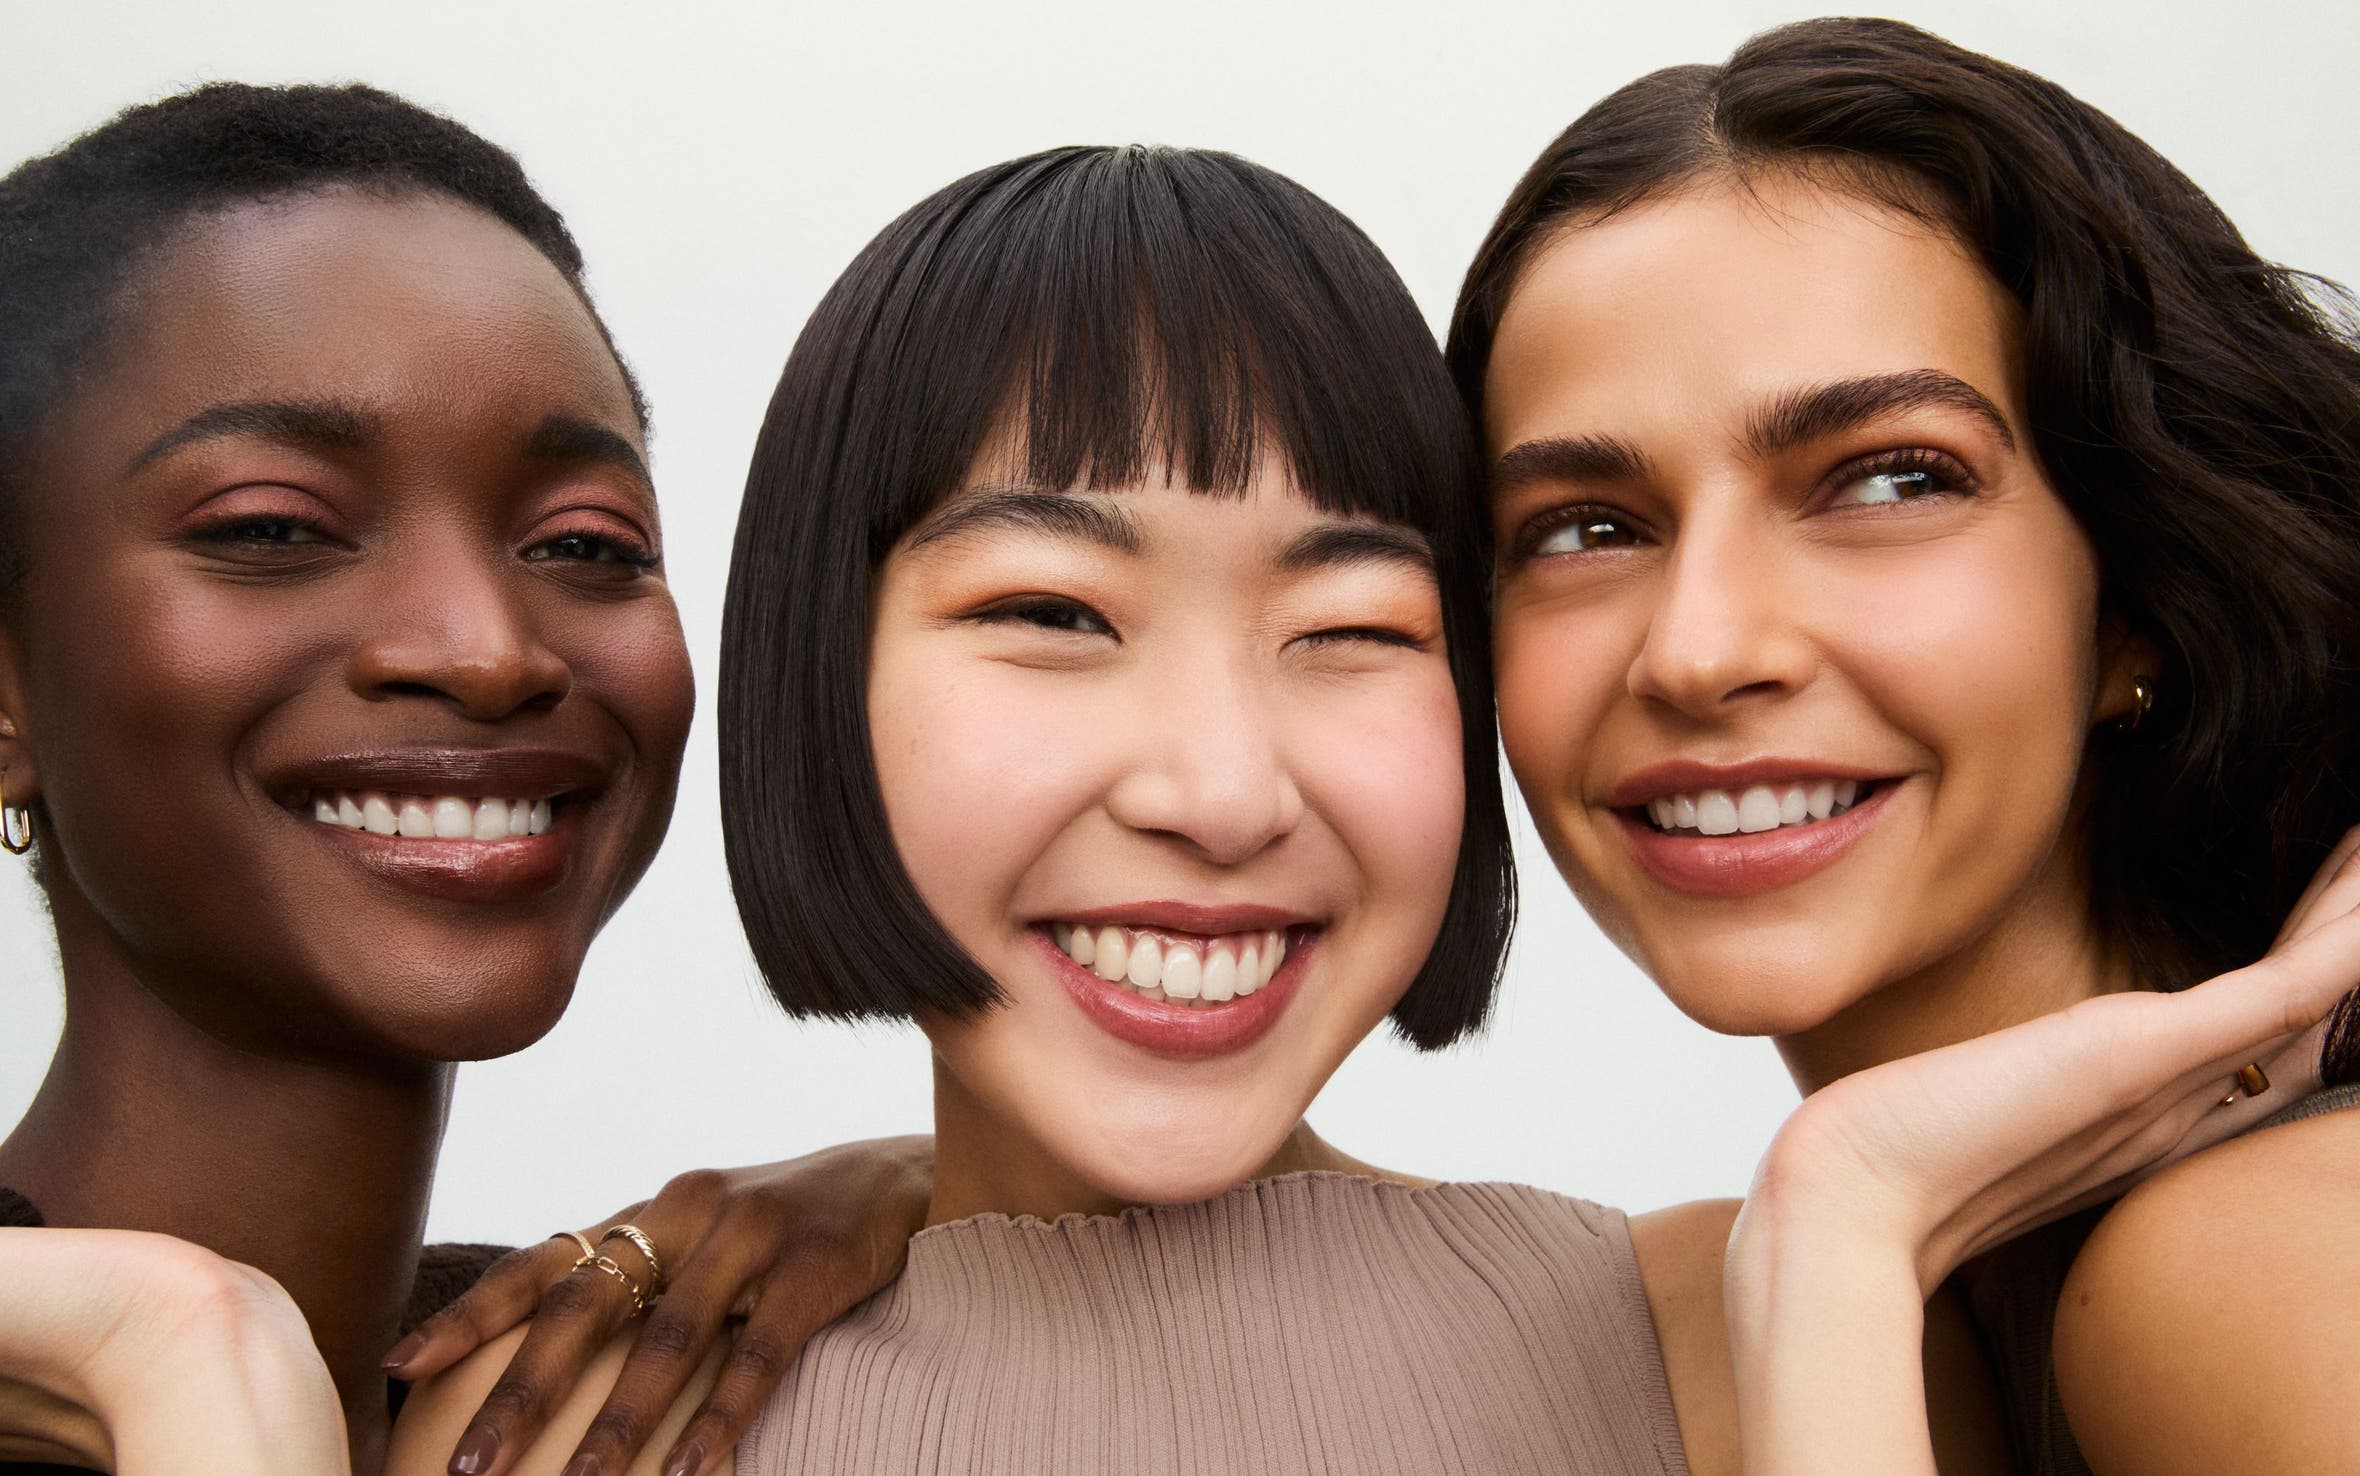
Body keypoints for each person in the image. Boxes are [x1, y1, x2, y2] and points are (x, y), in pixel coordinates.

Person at [392, 143, 1693, 1476]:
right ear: (816, 672)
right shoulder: (553, 1431)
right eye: (1055, 613)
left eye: (1351, 628)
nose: (1222, 794)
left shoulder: (1710, 1341)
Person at [1445, 17, 2360, 1474]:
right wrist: (1844, 1225)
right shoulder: (1892, 1304)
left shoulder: (2239, 1271)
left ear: (2135, 608)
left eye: (1889, 481)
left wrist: (1841, 1211)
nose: (1698, 650)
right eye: (1585, 527)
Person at [0, 83, 926, 1476]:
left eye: (583, 544)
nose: (490, 652)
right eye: (274, 528)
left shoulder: (613, 1397)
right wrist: (171, 1349)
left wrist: (959, 1190)